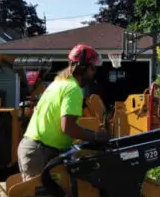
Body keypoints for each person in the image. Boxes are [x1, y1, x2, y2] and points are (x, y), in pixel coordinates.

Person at [17, 44, 111, 181]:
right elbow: (68, 127)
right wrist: (96, 136)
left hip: (33, 149)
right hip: (40, 153)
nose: (94, 72)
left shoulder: (58, 83)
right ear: (82, 67)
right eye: (92, 68)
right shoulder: (73, 89)